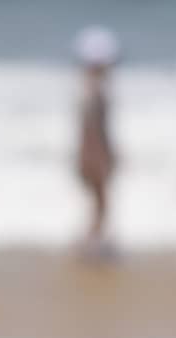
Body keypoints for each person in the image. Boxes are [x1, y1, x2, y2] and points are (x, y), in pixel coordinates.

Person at [73, 26, 120, 254]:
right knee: (101, 203)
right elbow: (94, 130)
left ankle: (92, 241)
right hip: (94, 156)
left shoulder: (88, 88)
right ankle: (92, 243)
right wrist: (100, 157)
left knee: (97, 202)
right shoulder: (94, 91)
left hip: (90, 154)